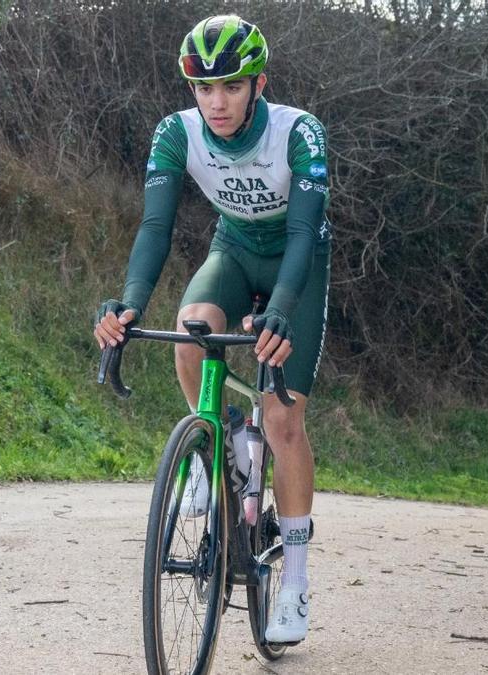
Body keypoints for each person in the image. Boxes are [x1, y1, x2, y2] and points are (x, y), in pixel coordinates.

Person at [93, 14, 331, 644]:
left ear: (258, 84)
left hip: (296, 267)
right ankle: (212, 446)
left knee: (281, 419)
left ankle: (297, 580)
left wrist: (279, 308)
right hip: (234, 251)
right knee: (192, 325)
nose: (216, 102)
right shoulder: (176, 134)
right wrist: (130, 304)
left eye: (230, 86)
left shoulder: (298, 133)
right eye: (203, 89)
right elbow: (155, 229)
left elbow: (306, 233)